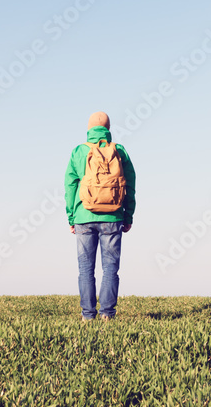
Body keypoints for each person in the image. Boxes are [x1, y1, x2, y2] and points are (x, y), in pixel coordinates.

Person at [64, 112, 136, 321]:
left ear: (88, 128)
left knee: (85, 269)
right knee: (110, 268)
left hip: (83, 217)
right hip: (113, 218)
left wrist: (71, 217)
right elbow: (130, 185)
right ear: (108, 128)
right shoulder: (119, 151)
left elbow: (70, 187)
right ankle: (107, 314)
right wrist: (128, 215)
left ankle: (88, 315)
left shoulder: (79, 151)